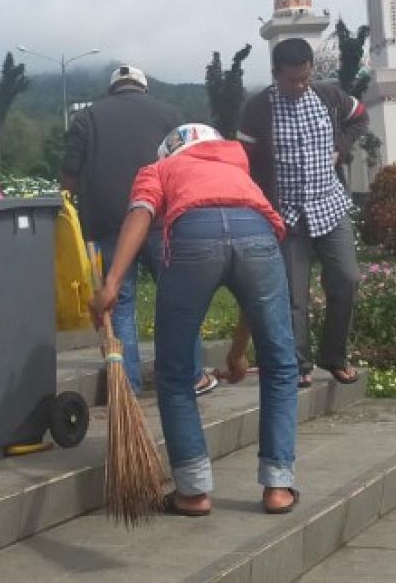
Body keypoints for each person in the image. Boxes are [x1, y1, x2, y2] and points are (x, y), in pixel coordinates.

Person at [93, 124, 299, 516]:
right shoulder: (238, 170)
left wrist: (112, 282)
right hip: (257, 232)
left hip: (192, 235)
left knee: (173, 372)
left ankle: (193, 491)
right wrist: (239, 353)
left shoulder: (158, 169)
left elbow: (142, 212)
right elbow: (252, 302)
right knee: (280, 364)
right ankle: (278, 486)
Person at [60, 65, 216, 397]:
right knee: (178, 299)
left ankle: (126, 386)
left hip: (107, 223)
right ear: (143, 88)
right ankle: (191, 376)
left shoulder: (87, 117)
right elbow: (187, 164)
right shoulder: (170, 114)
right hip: (162, 219)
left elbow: (69, 175)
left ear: (112, 89)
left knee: (121, 302)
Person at [237, 38, 368, 388]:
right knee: (293, 296)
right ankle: (299, 365)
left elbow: (360, 115)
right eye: (292, 80)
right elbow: (243, 161)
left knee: (347, 279)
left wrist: (341, 147)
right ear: (276, 73)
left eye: (305, 79)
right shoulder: (257, 109)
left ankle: (334, 356)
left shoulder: (329, 96)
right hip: (287, 217)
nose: (299, 86)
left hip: (330, 206)